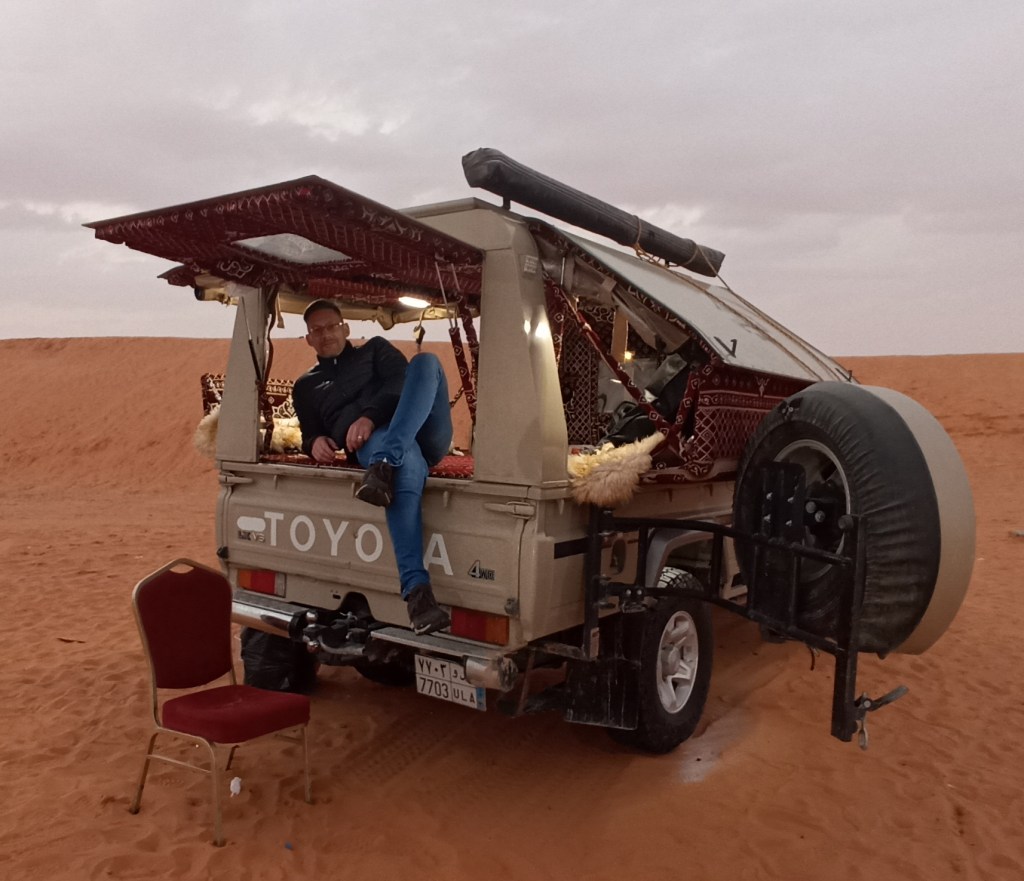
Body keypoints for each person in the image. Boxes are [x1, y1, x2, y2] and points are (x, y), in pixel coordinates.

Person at [292, 299, 453, 635]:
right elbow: (309, 432)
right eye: (317, 330)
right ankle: (417, 594)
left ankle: (386, 461)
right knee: (407, 466)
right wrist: (315, 442)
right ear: (308, 338)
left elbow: (400, 383)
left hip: (420, 429)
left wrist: (369, 416)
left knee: (426, 362)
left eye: (332, 326)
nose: (326, 334)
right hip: (372, 445)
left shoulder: (376, 350)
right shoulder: (305, 386)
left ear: (345, 328)